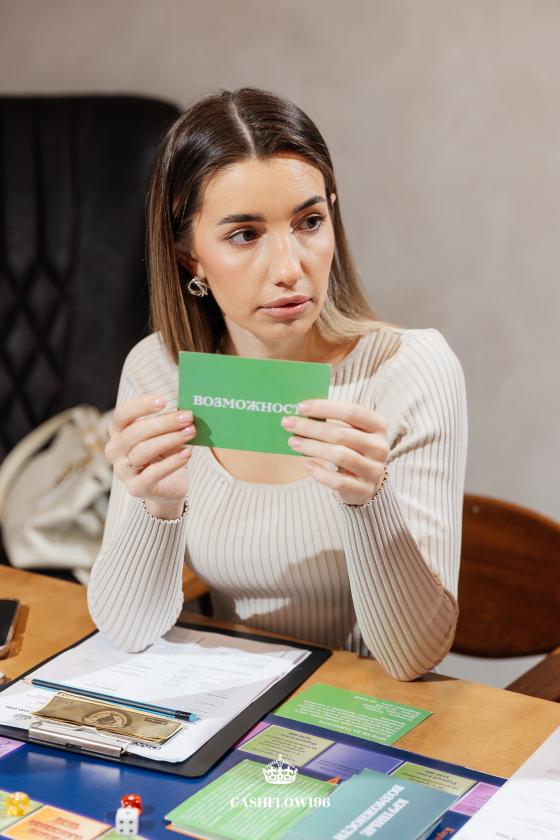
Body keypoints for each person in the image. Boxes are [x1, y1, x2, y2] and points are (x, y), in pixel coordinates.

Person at [87, 87, 467, 681]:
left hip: (366, 705)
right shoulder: (159, 371)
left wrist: (370, 503)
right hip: (227, 700)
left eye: (309, 222)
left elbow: (413, 657)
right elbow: (127, 630)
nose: (290, 268)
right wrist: (157, 508)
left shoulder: (411, 370)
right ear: (189, 257)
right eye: (245, 235)